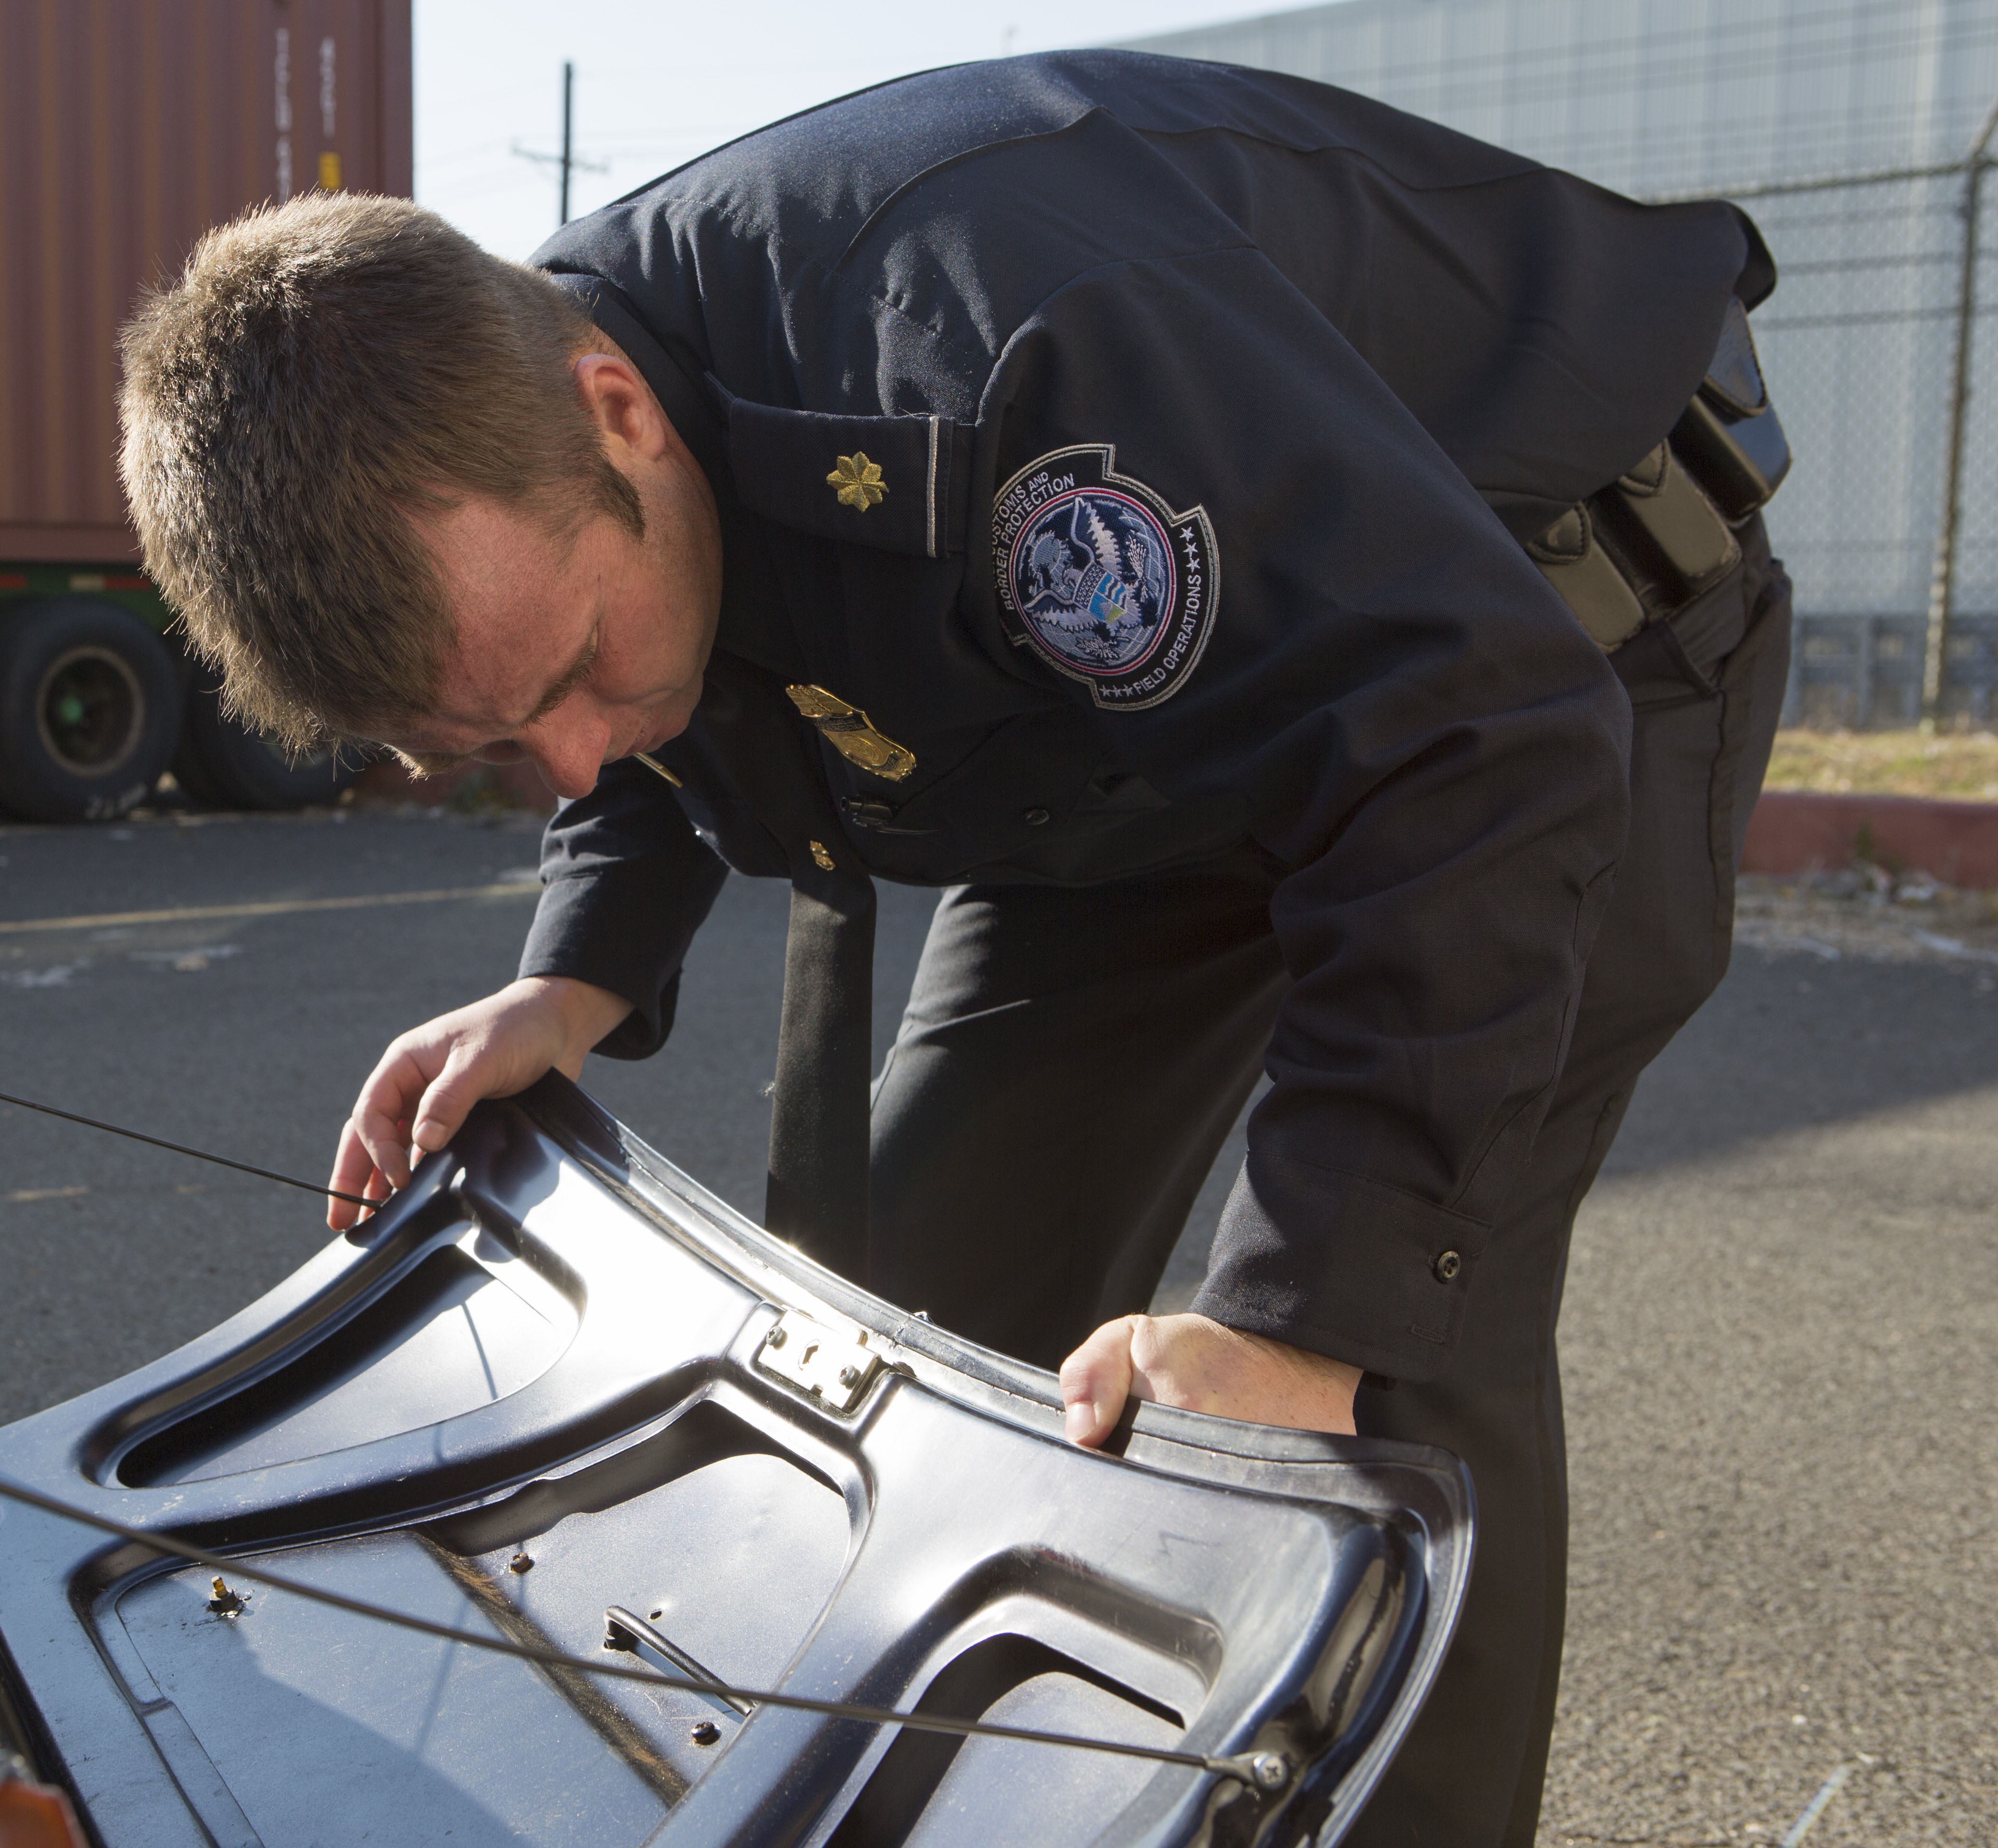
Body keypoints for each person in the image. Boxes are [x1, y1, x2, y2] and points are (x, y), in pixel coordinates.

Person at [115, 50, 1792, 1846]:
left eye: (574, 673)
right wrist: (576, 970)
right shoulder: (506, 410)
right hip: (1121, 744)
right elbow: (655, 708)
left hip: (1546, 659)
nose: (579, 756)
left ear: (618, 413)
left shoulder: (1002, 326)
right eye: (494, 749)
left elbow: (1473, 758)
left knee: (1376, 1362)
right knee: (910, 1326)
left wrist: (1296, 1326)